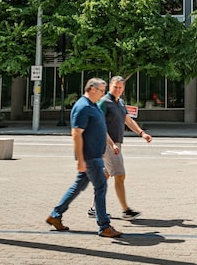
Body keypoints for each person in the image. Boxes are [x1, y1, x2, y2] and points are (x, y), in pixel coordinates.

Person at [46, 78, 122, 238]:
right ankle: (104, 226)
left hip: (95, 155)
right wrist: (80, 160)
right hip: (90, 157)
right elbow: (76, 134)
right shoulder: (82, 106)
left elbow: (100, 129)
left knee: (78, 186)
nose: (103, 93)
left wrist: (111, 143)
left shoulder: (93, 105)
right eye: (102, 90)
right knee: (101, 187)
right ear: (92, 89)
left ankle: (55, 215)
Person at [98, 76, 152, 219]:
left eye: (120, 87)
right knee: (120, 175)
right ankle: (125, 210)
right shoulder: (104, 102)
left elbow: (127, 120)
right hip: (107, 144)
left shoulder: (120, 102)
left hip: (116, 143)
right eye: (115, 87)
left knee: (106, 174)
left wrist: (142, 133)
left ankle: (94, 208)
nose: (117, 90)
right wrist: (111, 143)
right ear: (110, 86)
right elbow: (99, 125)